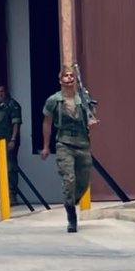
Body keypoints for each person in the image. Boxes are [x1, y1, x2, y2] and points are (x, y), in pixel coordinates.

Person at [41, 65, 95, 233]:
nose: (70, 78)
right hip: (64, 143)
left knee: (83, 182)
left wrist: (92, 118)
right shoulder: (54, 100)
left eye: (72, 76)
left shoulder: (83, 99)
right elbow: (47, 123)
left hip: (83, 144)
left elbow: (92, 116)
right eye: (66, 76)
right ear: (60, 80)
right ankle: (71, 215)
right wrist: (46, 146)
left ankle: (71, 201)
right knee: (69, 179)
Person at [0, 84, 22, 208]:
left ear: (6, 91)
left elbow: (16, 123)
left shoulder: (13, 105)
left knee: (10, 168)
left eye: (2, 91)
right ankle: (3, 197)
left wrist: (13, 139)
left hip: (9, 140)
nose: (0, 94)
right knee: (1, 169)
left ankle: (12, 196)